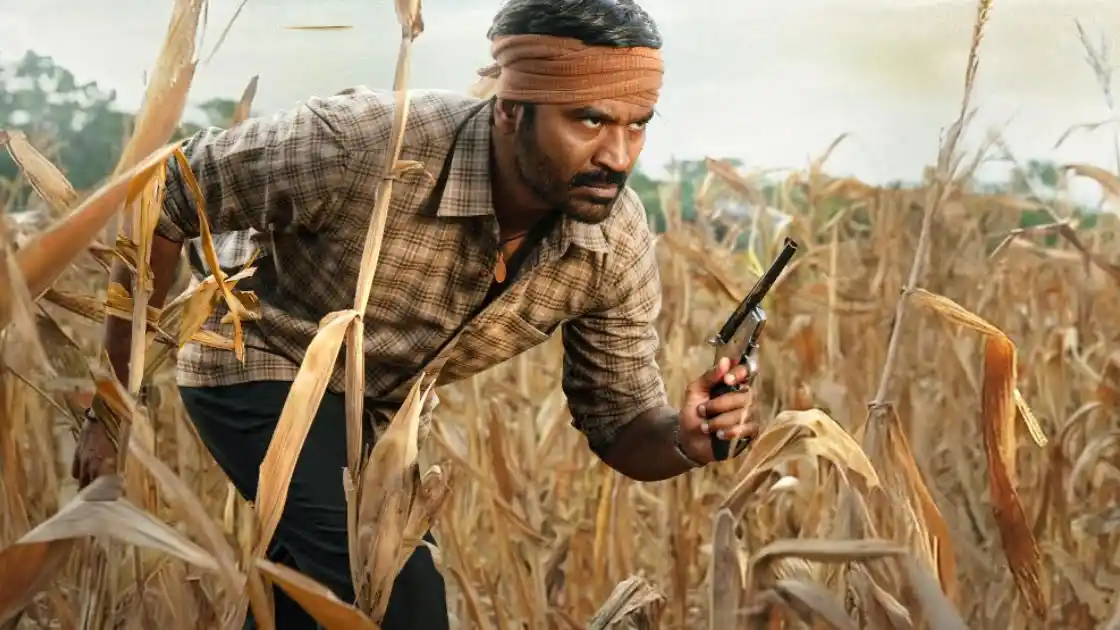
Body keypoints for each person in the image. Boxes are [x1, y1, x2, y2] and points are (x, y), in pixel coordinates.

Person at [71, 0, 761, 627]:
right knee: (383, 585)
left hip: (373, 415)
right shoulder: (363, 146)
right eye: (589, 120)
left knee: (326, 607)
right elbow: (163, 194)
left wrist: (685, 437)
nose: (617, 156)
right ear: (510, 111)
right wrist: (111, 406)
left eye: (638, 126)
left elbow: (621, 424)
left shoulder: (613, 244)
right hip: (257, 355)